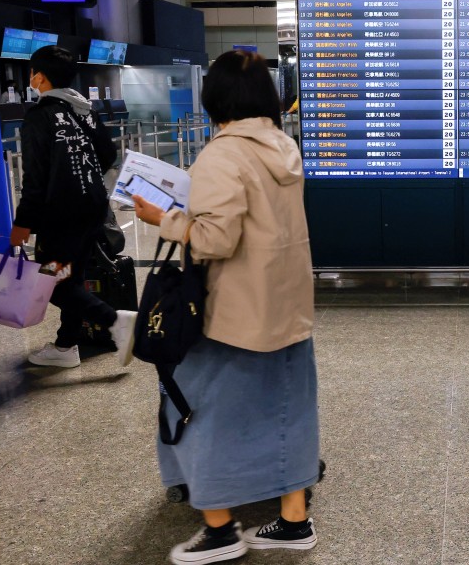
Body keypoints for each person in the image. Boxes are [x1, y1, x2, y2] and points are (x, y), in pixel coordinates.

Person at [132, 49, 320, 564]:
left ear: (213, 98)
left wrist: (161, 218)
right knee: (288, 411)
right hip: (285, 308)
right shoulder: (283, 145)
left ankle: (219, 532)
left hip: (233, 314)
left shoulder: (223, 154)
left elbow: (214, 240)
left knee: (200, 412)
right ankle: (294, 521)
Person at [9, 45, 136, 368]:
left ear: (38, 77)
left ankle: (115, 320)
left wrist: (22, 225)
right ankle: (66, 345)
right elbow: (108, 155)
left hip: (60, 217)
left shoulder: (40, 116)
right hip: (93, 209)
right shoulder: (84, 110)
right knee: (71, 275)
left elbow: (35, 179)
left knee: (47, 279)